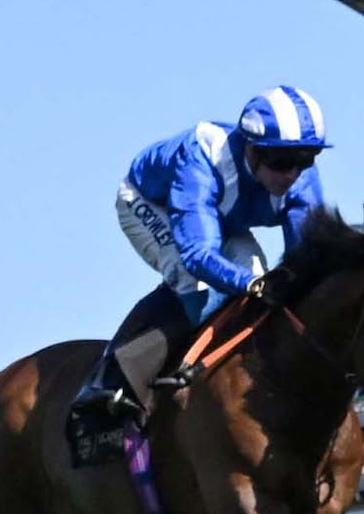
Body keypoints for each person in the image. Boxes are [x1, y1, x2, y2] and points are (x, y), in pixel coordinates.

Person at [72, 89, 340, 439]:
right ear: (252, 150)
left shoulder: (302, 178)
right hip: (152, 204)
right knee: (195, 285)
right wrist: (249, 284)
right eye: (281, 161)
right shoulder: (199, 159)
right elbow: (198, 255)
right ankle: (111, 377)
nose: (292, 173)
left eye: (305, 158)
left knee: (258, 282)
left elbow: (307, 256)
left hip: (223, 219)